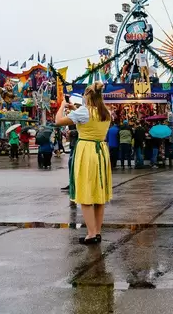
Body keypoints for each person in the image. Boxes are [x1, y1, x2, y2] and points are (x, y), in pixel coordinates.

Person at [56, 81, 113, 245]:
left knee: (86, 193)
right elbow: (89, 119)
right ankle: (98, 232)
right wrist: (75, 110)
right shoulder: (105, 112)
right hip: (101, 151)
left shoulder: (84, 111)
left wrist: (62, 106)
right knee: (99, 195)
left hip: (86, 150)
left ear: (87, 97)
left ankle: (91, 233)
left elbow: (58, 121)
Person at [61, 124, 79, 192]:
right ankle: (72, 183)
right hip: (73, 145)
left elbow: (82, 131)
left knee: (73, 164)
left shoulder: (80, 120)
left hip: (77, 146)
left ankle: (74, 184)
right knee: (71, 164)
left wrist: (72, 132)